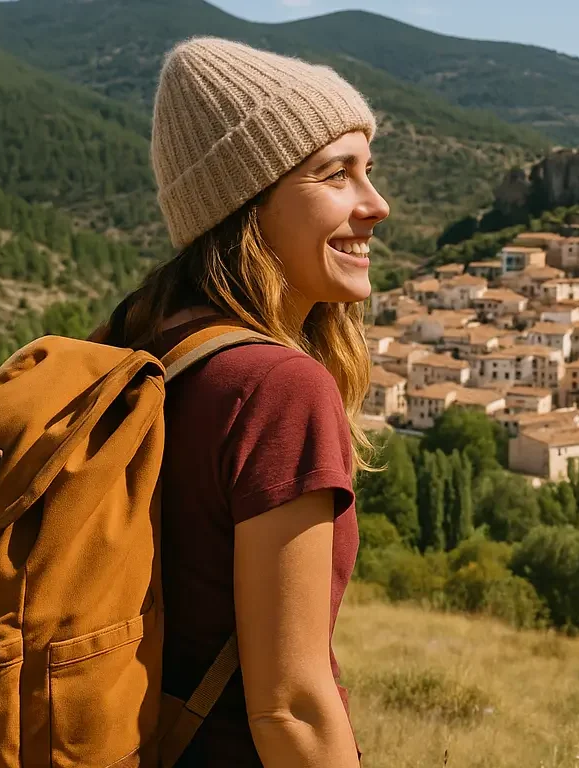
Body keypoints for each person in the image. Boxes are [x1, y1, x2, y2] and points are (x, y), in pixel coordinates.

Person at [90, 36, 388, 767]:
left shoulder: (131, 347)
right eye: (336, 174)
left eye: (368, 171)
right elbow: (290, 708)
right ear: (246, 202)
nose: (376, 205)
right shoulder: (277, 389)